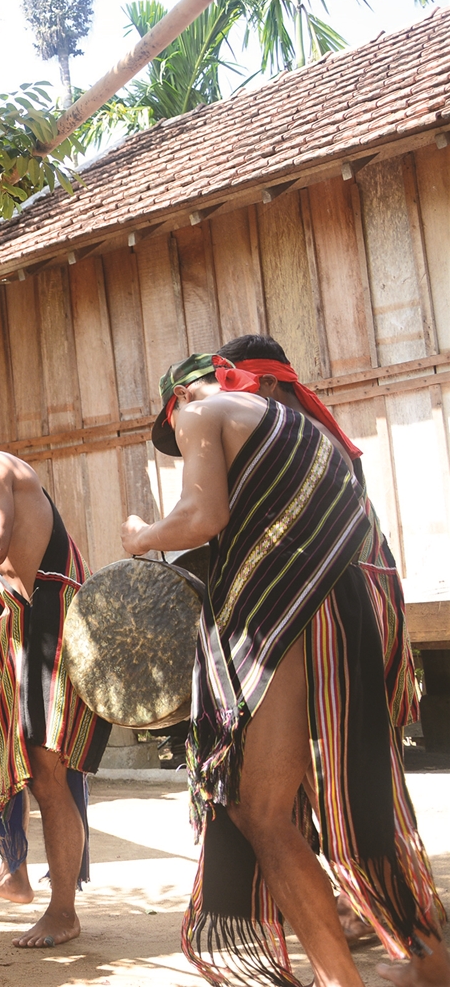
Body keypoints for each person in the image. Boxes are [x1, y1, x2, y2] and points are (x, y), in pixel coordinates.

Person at [120, 353, 447, 987]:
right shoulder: (302, 427)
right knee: (359, 800)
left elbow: (201, 517)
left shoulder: (200, 410)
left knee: (256, 808)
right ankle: (422, 962)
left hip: (286, 617)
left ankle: (341, 978)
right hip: (346, 610)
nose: (179, 434)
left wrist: (141, 536)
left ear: (180, 397)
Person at [213, 335, 444, 978]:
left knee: (343, 803)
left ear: (264, 385)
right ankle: (368, 948)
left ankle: (419, 958)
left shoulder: (278, 436)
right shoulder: (318, 436)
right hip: (353, 611)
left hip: (322, 617)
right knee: (326, 801)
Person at [0, 433, 111, 948]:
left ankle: (63, 912)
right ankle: (15, 873)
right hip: (21, 624)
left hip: (52, 616)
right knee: (5, 757)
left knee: (46, 770)